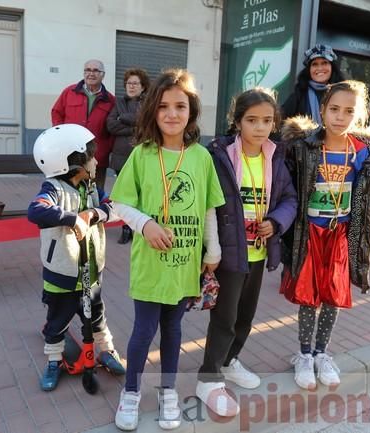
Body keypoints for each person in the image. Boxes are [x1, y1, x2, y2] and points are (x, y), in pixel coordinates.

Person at [109, 69, 225, 431]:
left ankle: (168, 391)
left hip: (185, 264)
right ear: (152, 112)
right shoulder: (142, 154)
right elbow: (119, 204)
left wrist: (214, 249)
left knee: (174, 330)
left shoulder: (202, 157)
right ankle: (131, 392)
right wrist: (146, 224)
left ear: (191, 110)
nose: (172, 114)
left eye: (180, 106)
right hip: (151, 265)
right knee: (143, 331)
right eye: (163, 107)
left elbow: (209, 207)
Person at [280, 81, 370, 390]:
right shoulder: (304, 147)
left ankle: (322, 353)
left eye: (349, 111)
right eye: (334, 109)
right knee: (309, 296)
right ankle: (304, 354)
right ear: (322, 110)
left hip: (341, 235)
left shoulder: (364, 153)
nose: (340, 117)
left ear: (359, 115)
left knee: (333, 296)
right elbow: (287, 190)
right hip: (309, 234)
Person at [196, 88, 297, 416]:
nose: (260, 127)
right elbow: (207, 202)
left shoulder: (276, 156)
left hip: (258, 253)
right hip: (228, 254)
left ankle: (228, 361)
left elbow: (289, 200)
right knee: (223, 318)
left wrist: (275, 222)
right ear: (237, 121)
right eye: (251, 120)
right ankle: (209, 377)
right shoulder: (220, 155)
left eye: (267, 120)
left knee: (245, 317)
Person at [28, 123, 125, 392]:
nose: (96, 160)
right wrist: (72, 219)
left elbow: (112, 208)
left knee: (96, 316)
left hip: (91, 270)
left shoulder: (91, 187)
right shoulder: (53, 189)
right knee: (58, 320)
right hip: (62, 273)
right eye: (91, 156)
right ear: (72, 162)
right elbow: (36, 212)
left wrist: (92, 215)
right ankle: (53, 360)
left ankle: (106, 350)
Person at [51, 59, 116, 190]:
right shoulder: (69, 92)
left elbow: (112, 129)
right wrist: (61, 137)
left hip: (96, 157)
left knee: (95, 192)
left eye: (96, 70)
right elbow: (56, 113)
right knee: (68, 191)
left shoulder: (110, 100)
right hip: (69, 154)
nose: (91, 74)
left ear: (103, 74)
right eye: (88, 70)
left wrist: (106, 149)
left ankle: (93, 211)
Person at [107, 68, 151, 244]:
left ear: (143, 86)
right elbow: (110, 125)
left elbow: (147, 122)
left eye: (135, 83)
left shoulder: (148, 103)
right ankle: (126, 228)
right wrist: (135, 127)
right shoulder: (118, 102)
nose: (131, 86)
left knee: (140, 193)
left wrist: (123, 118)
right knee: (124, 195)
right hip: (121, 155)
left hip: (143, 155)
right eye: (129, 83)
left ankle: (138, 226)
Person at [280, 44, 344, 121]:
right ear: (309, 69)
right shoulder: (299, 94)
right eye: (314, 64)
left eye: (324, 63)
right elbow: (280, 120)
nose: (319, 68)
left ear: (332, 67)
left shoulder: (343, 93)